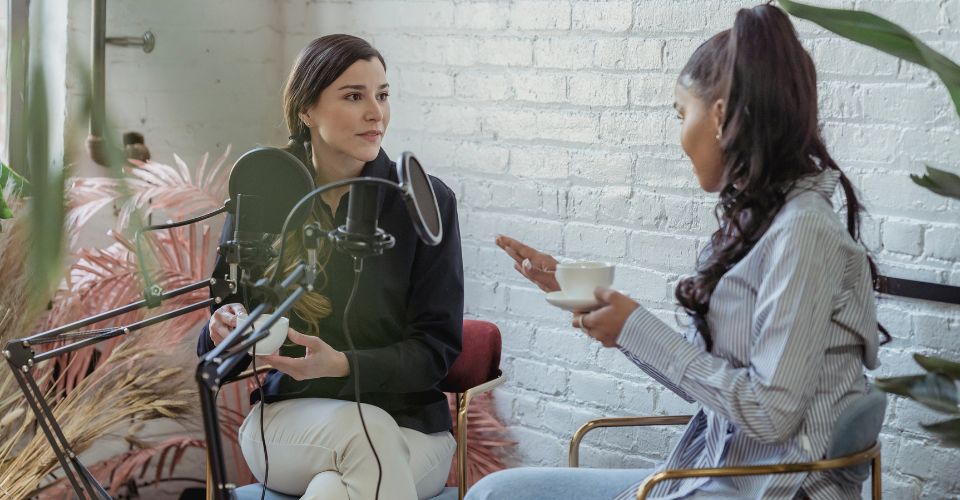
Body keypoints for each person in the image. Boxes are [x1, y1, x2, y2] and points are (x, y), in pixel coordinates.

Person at [470, 5, 884, 500]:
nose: (679, 135)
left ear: (720, 116)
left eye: (680, 113)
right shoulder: (761, 225)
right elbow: (713, 387)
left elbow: (770, 414)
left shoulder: (803, 233)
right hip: (720, 471)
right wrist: (594, 304)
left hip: (766, 488)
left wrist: (634, 324)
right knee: (495, 492)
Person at [198, 34, 464, 500]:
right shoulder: (264, 192)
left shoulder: (423, 201)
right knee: (366, 435)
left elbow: (436, 352)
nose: (375, 113)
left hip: (412, 432)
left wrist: (342, 364)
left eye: (382, 95)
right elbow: (216, 344)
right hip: (288, 426)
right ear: (307, 109)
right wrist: (224, 330)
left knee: (335, 487)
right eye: (353, 96)